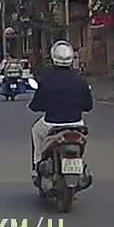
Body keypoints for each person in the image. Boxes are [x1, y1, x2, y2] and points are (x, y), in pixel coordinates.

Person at [28, 41, 94, 179]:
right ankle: (80, 163)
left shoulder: (47, 80)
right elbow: (88, 106)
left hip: (52, 125)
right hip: (77, 125)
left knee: (36, 130)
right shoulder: (81, 80)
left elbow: (36, 105)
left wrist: (38, 106)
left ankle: (36, 165)